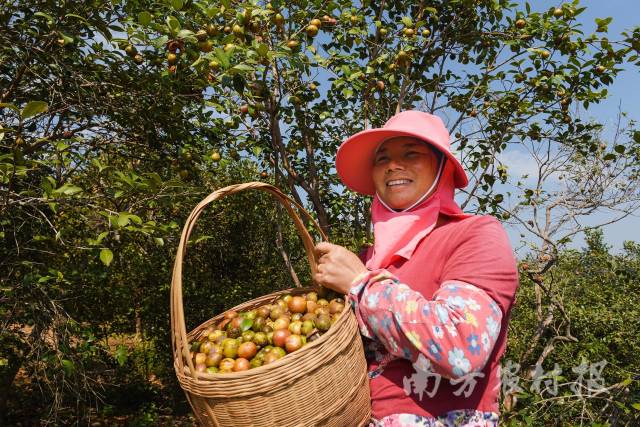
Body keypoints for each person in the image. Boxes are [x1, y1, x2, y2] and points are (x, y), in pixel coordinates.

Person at [313, 110, 519, 426]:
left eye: (411, 153)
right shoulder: (369, 259)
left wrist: (360, 284)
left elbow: (461, 347)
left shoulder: (475, 235)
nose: (394, 165)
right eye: (382, 159)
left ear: (442, 168)